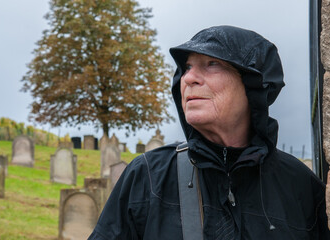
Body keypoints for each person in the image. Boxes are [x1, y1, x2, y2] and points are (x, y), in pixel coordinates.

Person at [88, 26, 330, 239]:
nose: (189, 77)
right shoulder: (148, 176)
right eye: (188, 67)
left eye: (212, 64)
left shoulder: (302, 187)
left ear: (253, 85)